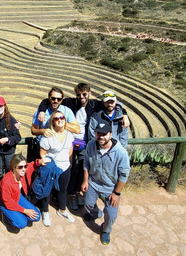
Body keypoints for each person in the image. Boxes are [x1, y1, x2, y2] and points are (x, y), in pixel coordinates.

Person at [37, 83, 130, 211]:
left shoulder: (95, 104)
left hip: (86, 142)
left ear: (89, 94)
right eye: (79, 94)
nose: (81, 97)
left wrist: (124, 113)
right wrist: (42, 109)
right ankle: (69, 193)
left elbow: (112, 104)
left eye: (84, 94)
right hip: (69, 140)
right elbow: (51, 100)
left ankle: (76, 191)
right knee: (69, 167)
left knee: (82, 167)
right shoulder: (71, 103)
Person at [82, 119, 130, 245]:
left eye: (104, 134)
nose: (101, 136)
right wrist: (85, 180)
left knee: (111, 215)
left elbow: (124, 175)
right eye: (98, 133)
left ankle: (106, 230)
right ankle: (96, 213)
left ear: (111, 134)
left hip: (110, 187)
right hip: (93, 182)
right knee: (87, 203)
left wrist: (116, 194)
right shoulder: (91, 145)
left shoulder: (121, 153)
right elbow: (86, 162)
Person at [39, 110, 75, 226]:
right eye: (56, 118)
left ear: (65, 120)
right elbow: (42, 153)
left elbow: (70, 149)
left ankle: (62, 210)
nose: (59, 120)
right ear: (52, 122)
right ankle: (45, 211)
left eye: (62, 117)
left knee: (63, 189)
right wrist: (47, 164)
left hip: (65, 166)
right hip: (52, 167)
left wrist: (69, 162)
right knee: (47, 190)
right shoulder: (48, 136)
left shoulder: (69, 134)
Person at [0, 154, 41, 229]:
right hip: (6, 203)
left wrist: (39, 162)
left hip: (17, 196)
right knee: (22, 223)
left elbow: (32, 165)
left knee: (37, 216)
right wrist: (25, 211)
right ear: (13, 167)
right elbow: (8, 202)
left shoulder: (23, 172)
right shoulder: (6, 181)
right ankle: (7, 218)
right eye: (20, 167)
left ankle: (18, 215)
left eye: (25, 166)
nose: (24, 169)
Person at [0, 96, 21, 183]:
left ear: (4, 106)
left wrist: (7, 139)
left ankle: (7, 190)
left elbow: (17, 137)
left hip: (8, 152)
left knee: (9, 173)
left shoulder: (11, 120)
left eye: (0, 106)